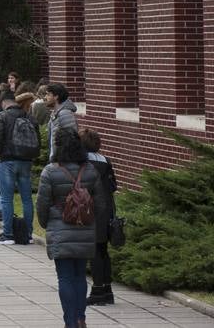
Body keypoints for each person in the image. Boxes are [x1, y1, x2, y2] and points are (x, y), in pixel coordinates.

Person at [36, 128, 101, 328]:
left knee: (64, 277)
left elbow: (42, 203)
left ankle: (70, 322)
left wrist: (47, 223)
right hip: (85, 228)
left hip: (59, 226)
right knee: (80, 276)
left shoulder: (51, 171)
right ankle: (81, 318)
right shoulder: (90, 169)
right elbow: (100, 202)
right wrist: (90, 221)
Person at [0, 91, 39, 244]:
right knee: (26, 199)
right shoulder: (29, 117)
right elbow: (37, 139)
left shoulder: (2, 116)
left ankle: (8, 234)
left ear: (3, 102)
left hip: (8, 160)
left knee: (6, 199)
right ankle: (28, 233)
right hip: (26, 160)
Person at [80, 128, 118, 307]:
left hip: (93, 209)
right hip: (107, 209)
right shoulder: (105, 160)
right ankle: (107, 290)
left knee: (94, 251)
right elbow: (113, 186)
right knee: (103, 250)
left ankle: (97, 290)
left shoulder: (84, 163)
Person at [45, 83, 79, 161]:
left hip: (64, 161)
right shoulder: (55, 113)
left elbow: (71, 139)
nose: (45, 97)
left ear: (56, 96)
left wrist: (58, 159)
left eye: (48, 94)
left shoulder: (65, 113)